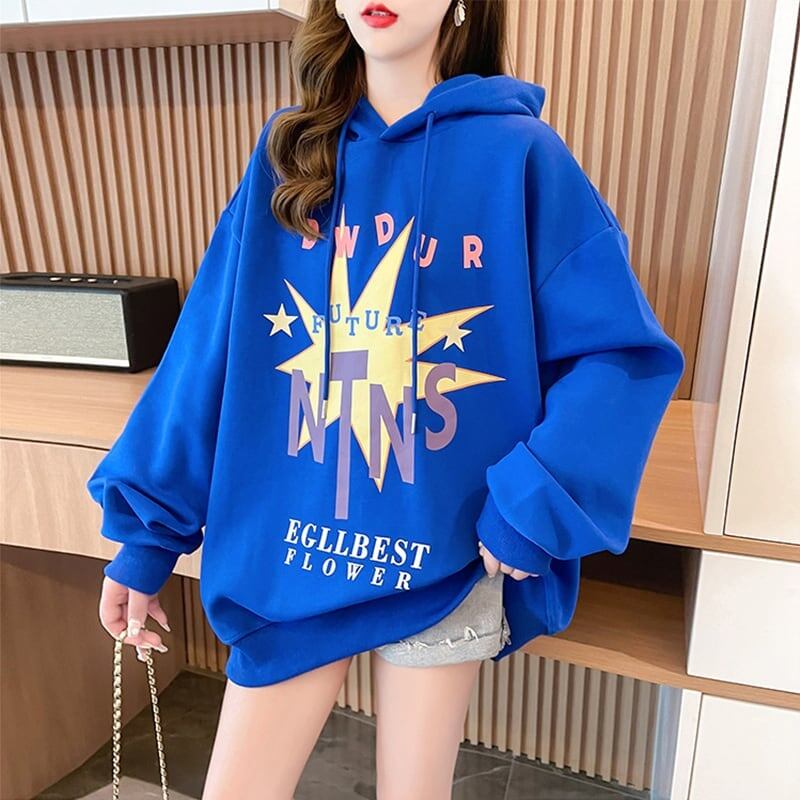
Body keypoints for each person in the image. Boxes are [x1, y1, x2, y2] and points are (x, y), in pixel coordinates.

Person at [86, 1, 685, 797]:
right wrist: (147, 535)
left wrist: (533, 503)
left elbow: (620, 352)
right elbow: (209, 350)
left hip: (445, 549)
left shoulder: (521, 156)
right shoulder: (289, 154)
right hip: (293, 546)